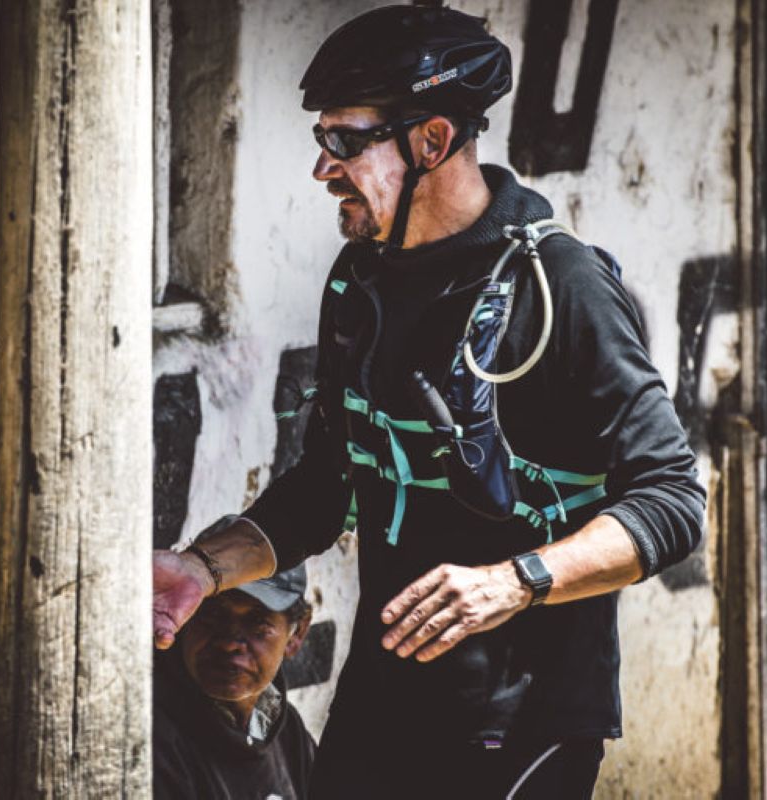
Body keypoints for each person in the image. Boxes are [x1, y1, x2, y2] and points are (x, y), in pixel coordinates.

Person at [153, 6, 706, 798]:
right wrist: (202, 569)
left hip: (526, 721)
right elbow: (327, 486)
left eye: (345, 141)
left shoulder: (561, 286)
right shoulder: (359, 282)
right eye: (321, 140)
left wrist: (513, 582)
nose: (323, 168)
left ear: (433, 141)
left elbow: (672, 501)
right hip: (381, 703)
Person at [154, 526, 316, 800]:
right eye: (212, 615)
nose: (230, 643)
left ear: (296, 634)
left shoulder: (287, 732)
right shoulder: (156, 733)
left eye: (258, 623)